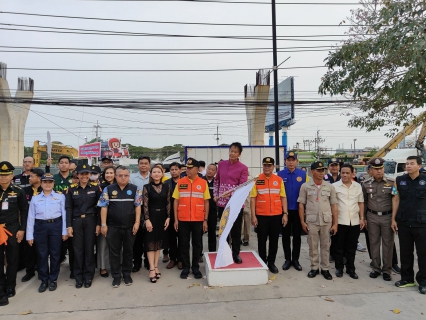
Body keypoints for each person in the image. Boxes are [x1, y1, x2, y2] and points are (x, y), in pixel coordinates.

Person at [99, 166, 142, 288]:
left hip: (130, 227)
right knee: (115, 252)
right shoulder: (108, 189)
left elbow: (138, 206)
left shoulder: (135, 189)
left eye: (126, 175)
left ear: (129, 176)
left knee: (128, 252)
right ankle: (116, 276)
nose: (123, 178)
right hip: (113, 227)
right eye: (120, 175)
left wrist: (137, 222)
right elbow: (104, 207)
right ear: (116, 176)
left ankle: (127, 274)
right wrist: (103, 224)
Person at [26, 172, 68, 293]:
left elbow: (64, 215)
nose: (47, 184)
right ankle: (44, 280)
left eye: (50, 182)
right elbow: (30, 218)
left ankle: (53, 279)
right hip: (40, 227)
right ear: (41, 183)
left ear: (53, 183)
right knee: (42, 254)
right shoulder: (35, 198)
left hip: (56, 225)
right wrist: (29, 235)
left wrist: (64, 231)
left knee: (55, 254)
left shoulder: (60, 197)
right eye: (45, 182)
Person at [391, 156, 426, 294]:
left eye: (412, 163)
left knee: (423, 254)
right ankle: (407, 279)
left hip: (422, 223)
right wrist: (393, 219)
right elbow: (396, 198)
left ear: (419, 166)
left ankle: (423, 281)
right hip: (404, 222)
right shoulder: (399, 180)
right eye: (407, 164)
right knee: (405, 253)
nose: (408, 166)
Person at [298, 161, 338, 280]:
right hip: (312, 221)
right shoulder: (305, 186)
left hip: (326, 221)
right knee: (313, 245)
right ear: (312, 172)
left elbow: (334, 205)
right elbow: (301, 205)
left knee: (326, 246)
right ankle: (314, 267)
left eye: (323, 170)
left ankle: (325, 269)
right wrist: (302, 222)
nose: (322, 173)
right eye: (319, 170)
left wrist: (335, 224)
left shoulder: (329, 186)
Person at [66, 164, 102, 289]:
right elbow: (69, 208)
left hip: (91, 220)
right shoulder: (71, 189)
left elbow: (99, 208)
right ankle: (78, 276)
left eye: (87, 174)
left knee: (89, 249)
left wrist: (98, 224)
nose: (84, 176)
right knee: (77, 249)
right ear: (77, 175)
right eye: (82, 174)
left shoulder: (95, 188)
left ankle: (88, 276)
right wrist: (69, 225)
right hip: (76, 221)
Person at [173, 158, 209, 279]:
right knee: (183, 244)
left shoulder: (203, 183)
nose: (187, 170)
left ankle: (195, 267)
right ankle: (186, 267)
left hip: (198, 219)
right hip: (183, 219)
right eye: (187, 168)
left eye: (190, 168)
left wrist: (205, 220)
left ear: (197, 169)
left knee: (197, 244)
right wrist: (176, 220)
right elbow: (176, 201)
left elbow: (206, 202)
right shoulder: (180, 182)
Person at [251, 157, 288, 273]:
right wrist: (253, 216)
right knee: (261, 241)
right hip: (261, 216)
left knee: (274, 241)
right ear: (263, 166)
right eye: (265, 165)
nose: (267, 167)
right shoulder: (257, 179)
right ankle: (262, 261)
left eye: (269, 165)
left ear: (273, 167)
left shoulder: (279, 180)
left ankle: (271, 262)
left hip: (276, 215)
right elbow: (253, 199)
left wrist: (285, 214)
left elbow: (283, 197)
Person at [213, 142, 248, 264]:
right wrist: (215, 195)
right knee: (223, 230)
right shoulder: (221, 164)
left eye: (235, 151)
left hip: (236, 204)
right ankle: (224, 252)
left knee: (236, 230)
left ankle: (236, 253)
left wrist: (231, 194)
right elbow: (216, 181)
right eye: (231, 151)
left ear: (239, 154)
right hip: (222, 204)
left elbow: (242, 186)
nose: (232, 153)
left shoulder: (243, 168)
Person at [0, 161, 28, 304]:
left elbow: (24, 211)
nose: (3, 178)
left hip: (12, 229)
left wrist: (22, 229)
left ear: (11, 176)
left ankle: (11, 285)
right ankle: (1, 287)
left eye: (6, 175)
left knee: (12, 259)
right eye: (0, 175)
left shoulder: (18, 191)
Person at [363, 157, 395, 281]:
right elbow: (364, 202)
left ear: (384, 168)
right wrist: (364, 217)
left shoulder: (392, 183)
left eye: (380, 168)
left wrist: (394, 219)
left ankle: (387, 270)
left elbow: (396, 200)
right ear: (371, 170)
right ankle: (376, 268)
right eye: (376, 169)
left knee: (388, 244)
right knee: (374, 243)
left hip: (387, 216)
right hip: (372, 216)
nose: (378, 171)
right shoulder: (366, 184)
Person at [332, 164, 365, 279]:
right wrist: (334, 223)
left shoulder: (357, 186)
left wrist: (362, 218)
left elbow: (360, 203)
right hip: (340, 221)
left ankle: (351, 269)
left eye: (347, 173)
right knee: (339, 247)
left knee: (351, 247)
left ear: (352, 174)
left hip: (354, 222)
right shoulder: (334, 186)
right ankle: (339, 268)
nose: (345, 175)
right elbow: (333, 205)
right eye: (343, 173)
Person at [278, 151, 308, 271]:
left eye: (293, 160)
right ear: (285, 161)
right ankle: (287, 259)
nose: (290, 162)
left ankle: (295, 259)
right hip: (284, 211)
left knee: (297, 236)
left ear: (296, 161)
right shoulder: (279, 175)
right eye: (288, 160)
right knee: (285, 236)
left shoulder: (303, 174)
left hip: (298, 211)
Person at [143, 165, 171, 283]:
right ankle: (151, 268)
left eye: (158, 172)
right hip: (151, 216)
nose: (156, 174)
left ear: (162, 173)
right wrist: (147, 219)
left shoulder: (166, 186)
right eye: (154, 172)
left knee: (158, 242)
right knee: (150, 243)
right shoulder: (147, 187)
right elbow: (145, 205)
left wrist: (168, 217)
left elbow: (168, 202)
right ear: (151, 174)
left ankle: (156, 266)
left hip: (163, 216)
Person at [52, 156, 74, 277]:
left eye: (66, 163)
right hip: (57, 214)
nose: (64, 165)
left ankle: (73, 269)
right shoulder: (54, 179)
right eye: (61, 163)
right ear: (58, 165)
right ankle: (57, 266)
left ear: (70, 165)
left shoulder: (75, 177)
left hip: (72, 213)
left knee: (72, 244)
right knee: (58, 244)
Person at [21, 168, 44, 282]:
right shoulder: (24, 191)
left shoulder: (45, 190)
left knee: (41, 250)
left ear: (39, 178)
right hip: (27, 224)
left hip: (41, 224)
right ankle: (29, 272)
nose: (29, 178)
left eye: (32, 176)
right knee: (28, 250)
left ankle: (41, 272)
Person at [130, 156, 150, 272]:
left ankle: (148, 261)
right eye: (141, 163)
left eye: (145, 163)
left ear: (149, 165)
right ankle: (136, 262)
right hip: (135, 209)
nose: (143, 165)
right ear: (138, 165)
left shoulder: (152, 177)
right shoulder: (132, 178)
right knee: (136, 238)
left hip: (149, 210)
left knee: (148, 237)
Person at [97, 166, 116, 278]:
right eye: (107, 173)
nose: (109, 175)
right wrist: (100, 223)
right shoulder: (100, 187)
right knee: (103, 244)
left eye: (111, 173)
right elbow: (99, 207)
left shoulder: (120, 186)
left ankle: (117, 264)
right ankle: (103, 267)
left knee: (117, 245)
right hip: (104, 219)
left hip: (117, 220)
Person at [164, 162, 182, 269]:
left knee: (182, 238)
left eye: (176, 169)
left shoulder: (185, 182)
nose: (174, 171)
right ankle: (172, 259)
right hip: (169, 214)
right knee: (171, 238)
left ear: (180, 170)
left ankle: (181, 259)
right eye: (172, 170)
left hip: (182, 213)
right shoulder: (166, 183)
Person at [324, 158, 341, 263]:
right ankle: (331, 253)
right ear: (328, 167)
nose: (334, 167)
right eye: (332, 165)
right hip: (328, 210)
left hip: (342, 209)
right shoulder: (324, 178)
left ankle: (340, 254)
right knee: (330, 234)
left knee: (340, 234)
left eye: (336, 165)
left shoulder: (343, 177)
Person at [203, 163, 218, 252]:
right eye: (209, 169)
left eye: (212, 169)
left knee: (212, 233)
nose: (210, 171)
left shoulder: (216, 182)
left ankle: (212, 252)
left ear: (216, 172)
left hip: (212, 211)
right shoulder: (201, 180)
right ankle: (199, 254)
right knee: (199, 234)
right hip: (201, 211)